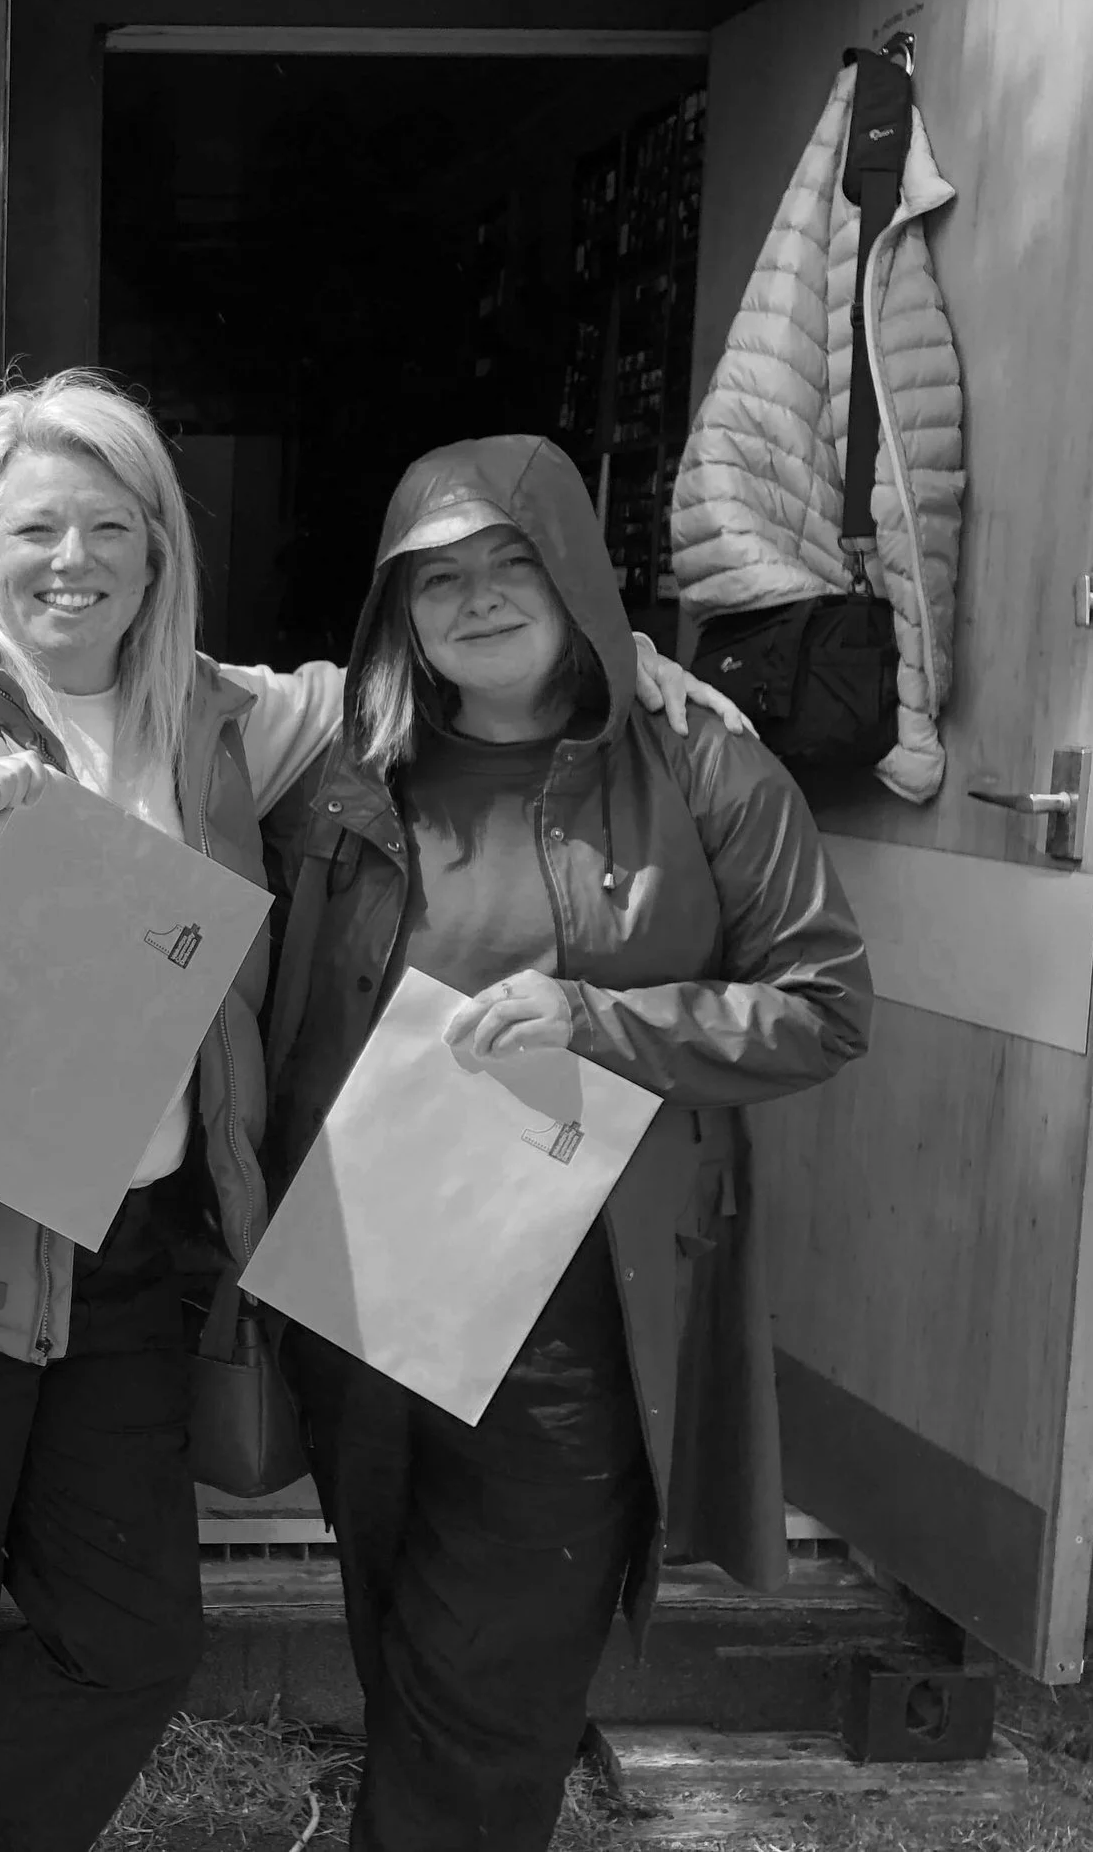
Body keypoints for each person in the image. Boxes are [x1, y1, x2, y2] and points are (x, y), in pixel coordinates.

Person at [0, 374, 746, 1852]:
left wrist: (617, 652)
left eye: (110, 524)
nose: (72, 560)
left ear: (158, 549)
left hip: (127, 1256)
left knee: (134, 1640)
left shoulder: (212, 718)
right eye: (35, 527)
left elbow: (436, 673)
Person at [260, 435, 872, 1849]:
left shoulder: (704, 767)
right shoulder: (343, 767)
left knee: (495, 1663)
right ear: (395, 610)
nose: (475, 601)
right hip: (374, 1260)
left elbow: (826, 1008)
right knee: (406, 1621)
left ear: (580, 575)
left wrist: (603, 1021)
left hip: (575, 1303)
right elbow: (124, 667)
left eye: (512, 564)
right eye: (438, 579)